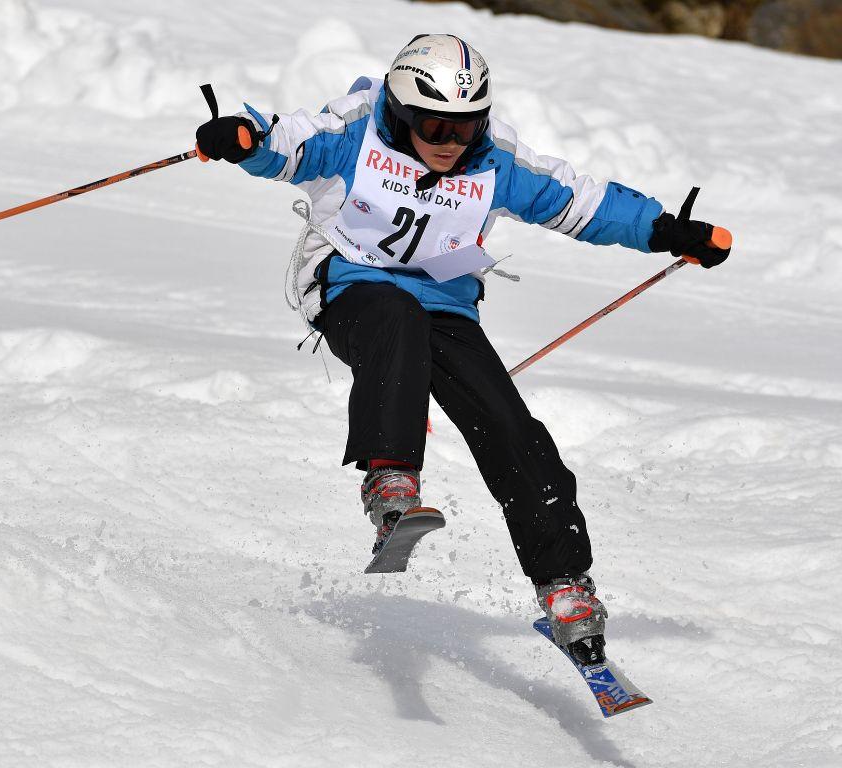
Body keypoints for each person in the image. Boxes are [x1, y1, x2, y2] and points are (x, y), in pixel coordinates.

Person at [194, 34, 729, 664]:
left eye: (467, 126)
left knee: (510, 424)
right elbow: (291, 142)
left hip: (445, 303)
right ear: (401, 111)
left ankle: (563, 582)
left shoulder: (492, 161)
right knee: (395, 317)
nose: (451, 142)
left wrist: (664, 230)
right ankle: (390, 478)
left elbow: (576, 200)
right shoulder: (357, 130)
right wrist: (244, 139)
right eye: (435, 126)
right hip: (351, 284)